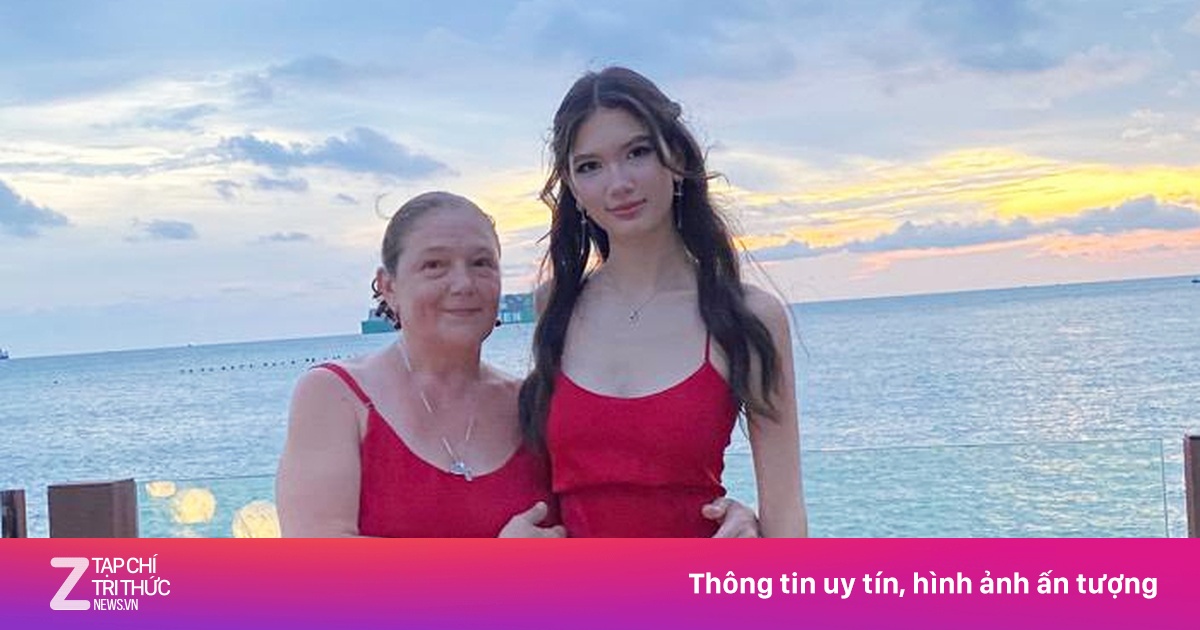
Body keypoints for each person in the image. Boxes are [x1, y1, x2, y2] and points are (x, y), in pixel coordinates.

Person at [276, 191, 757, 537]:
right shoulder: (336, 396)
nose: (463, 284)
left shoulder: (533, 403)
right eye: (434, 265)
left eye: (481, 263)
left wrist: (727, 519)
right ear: (388, 286)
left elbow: (613, 506)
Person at [519, 67, 808, 537]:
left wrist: (751, 534)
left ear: (675, 158)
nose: (618, 183)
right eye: (590, 166)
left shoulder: (747, 316)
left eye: (637, 152)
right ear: (572, 186)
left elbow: (786, 514)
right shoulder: (555, 305)